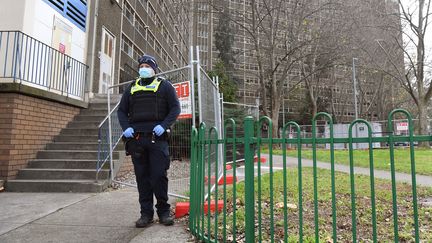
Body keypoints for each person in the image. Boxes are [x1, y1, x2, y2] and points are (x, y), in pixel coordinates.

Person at [117, 54, 180, 228]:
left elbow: (175, 108)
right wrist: (125, 127)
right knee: (142, 178)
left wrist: (164, 124)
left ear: (154, 69)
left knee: (159, 176)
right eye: (141, 65)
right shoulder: (132, 87)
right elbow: (121, 111)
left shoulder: (165, 86)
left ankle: (164, 212)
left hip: (157, 138)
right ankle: (146, 214)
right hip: (137, 139)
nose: (143, 68)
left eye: (147, 65)